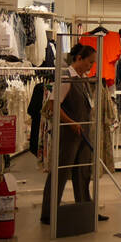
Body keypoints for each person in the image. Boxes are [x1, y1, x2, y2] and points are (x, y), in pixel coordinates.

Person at [40, 43, 99, 224]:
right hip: (68, 133)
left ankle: (85, 207)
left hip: (83, 132)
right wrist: (71, 123)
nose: (91, 66)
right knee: (61, 172)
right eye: (89, 62)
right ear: (78, 58)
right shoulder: (65, 78)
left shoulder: (83, 79)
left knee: (83, 171)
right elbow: (53, 106)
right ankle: (49, 213)